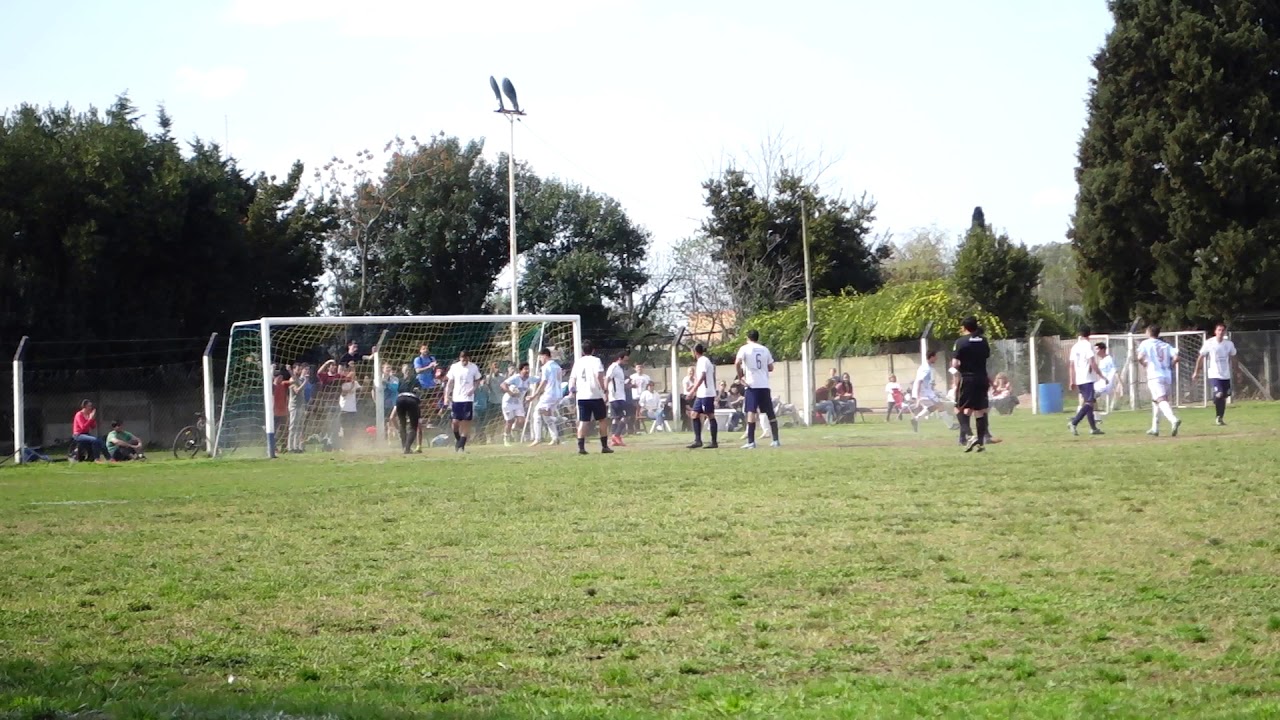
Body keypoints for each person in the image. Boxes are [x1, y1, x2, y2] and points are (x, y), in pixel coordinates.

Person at [734, 328, 780, 449]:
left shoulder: (744, 348)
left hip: (752, 385)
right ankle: (775, 440)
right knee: (770, 412)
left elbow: (737, 362)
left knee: (751, 412)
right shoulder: (765, 349)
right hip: (764, 384)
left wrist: (741, 377)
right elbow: (771, 368)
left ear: (748, 338)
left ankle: (751, 441)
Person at [952, 316, 992, 452]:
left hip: (967, 379)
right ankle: (980, 444)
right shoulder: (984, 341)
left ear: (964, 328)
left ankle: (969, 436)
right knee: (979, 410)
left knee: (958, 408)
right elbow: (985, 357)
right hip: (982, 378)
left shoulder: (961, 342)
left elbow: (955, 364)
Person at [569, 340, 613, 455]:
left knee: (583, 421)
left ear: (583, 351)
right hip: (595, 395)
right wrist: (604, 389)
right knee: (602, 419)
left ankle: (581, 448)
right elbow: (599, 375)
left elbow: (573, 379)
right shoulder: (596, 360)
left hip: (582, 396)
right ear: (593, 350)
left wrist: (572, 390)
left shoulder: (578, 362)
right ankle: (604, 446)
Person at [1137, 325, 1181, 437]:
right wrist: (1170, 365)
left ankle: (1173, 419)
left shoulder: (1145, 343)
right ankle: (1154, 428)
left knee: (1161, 400)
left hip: (1154, 375)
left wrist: (1144, 364)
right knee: (1156, 401)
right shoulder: (1165, 345)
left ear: (1148, 332)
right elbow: (1176, 357)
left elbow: (1139, 357)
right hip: (1166, 375)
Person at [1192, 322, 1238, 426]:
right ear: (1215, 331)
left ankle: (1219, 417)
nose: (1221, 332)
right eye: (1219, 330)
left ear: (1225, 332)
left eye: (1222, 330)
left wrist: (1237, 371)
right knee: (1219, 394)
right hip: (1214, 374)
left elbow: (1234, 358)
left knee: (1223, 397)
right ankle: (1216, 399)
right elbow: (1201, 357)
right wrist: (1196, 372)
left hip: (1225, 375)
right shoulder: (1209, 343)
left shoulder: (1229, 344)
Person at [1067, 326, 1103, 437]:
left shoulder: (1075, 346)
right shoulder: (1088, 345)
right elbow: (1092, 362)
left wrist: (1072, 380)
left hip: (1079, 379)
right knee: (1089, 403)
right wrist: (1101, 375)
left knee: (1089, 403)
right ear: (1089, 334)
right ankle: (1074, 422)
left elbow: (1071, 365)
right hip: (1087, 378)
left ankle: (1093, 428)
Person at [443, 350, 483, 452]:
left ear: (468, 358)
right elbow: (450, 383)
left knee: (466, 422)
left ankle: (461, 445)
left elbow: (478, 380)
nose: (463, 360)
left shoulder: (473, 367)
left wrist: (473, 389)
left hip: (468, 399)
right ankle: (458, 440)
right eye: (462, 358)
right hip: (457, 398)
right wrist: (446, 397)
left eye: (465, 358)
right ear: (459, 358)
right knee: (455, 422)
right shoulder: (454, 367)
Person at [528, 348, 564, 446]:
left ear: (545, 356)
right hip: (558, 394)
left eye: (540, 357)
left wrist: (534, 395)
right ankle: (555, 438)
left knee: (536, 412)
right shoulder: (557, 366)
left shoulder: (546, 367)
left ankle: (537, 438)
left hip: (550, 394)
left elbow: (544, 382)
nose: (540, 360)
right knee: (546, 416)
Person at [686, 343, 719, 449]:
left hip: (706, 393)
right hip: (701, 394)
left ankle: (714, 442)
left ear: (695, 351)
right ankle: (698, 440)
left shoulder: (703, 361)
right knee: (694, 414)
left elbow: (702, 377)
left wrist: (693, 391)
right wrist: (694, 390)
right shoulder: (700, 361)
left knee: (710, 415)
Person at [500, 362, 532, 446]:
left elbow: (539, 380)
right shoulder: (515, 378)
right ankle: (506, 438)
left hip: (518, 403)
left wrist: (528, 396)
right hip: (508, 402)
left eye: (528, 369)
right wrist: (510, 392)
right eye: (525, 369)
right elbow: (502, 385)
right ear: (520, 370)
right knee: (509, 421)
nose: (527, 370)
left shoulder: (529, 379)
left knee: (522, 420)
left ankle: (515, 429)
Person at [605, 350, 630, 447]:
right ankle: (617, 435)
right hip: (616, 397)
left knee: (616, 418)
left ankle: (613, 439)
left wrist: (629, 385)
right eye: (625, 360)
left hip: (620, 396)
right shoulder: (614, 367)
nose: (626, 363)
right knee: (626, 415)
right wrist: (606, 392)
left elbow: (619, 383)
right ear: (620, 358)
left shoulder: (620, 369)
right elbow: (607, 378)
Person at [337, 363, 362, 449]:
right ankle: (343, 446)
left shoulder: (355, 382)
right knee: (344, 429)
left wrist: (366, 383)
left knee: (352, 428)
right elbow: (344, 394)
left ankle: (350, 445)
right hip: (344, 409)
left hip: (353, 409)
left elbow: (361, 389)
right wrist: (352, 385)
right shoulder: (342, 383)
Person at [1092, 343, 1120, 416]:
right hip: (1101, 382)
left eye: (1097, 349)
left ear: (1103, 349)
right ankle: (1096, 416)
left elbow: (1116, 371)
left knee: (1090, 395)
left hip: (1106, 384)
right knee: (1089, 395)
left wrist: (1120, 385)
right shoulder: (1101, 360)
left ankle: (1083, 414)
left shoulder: (1109, 359)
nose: (1096, 351)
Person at [393, 387, 422, 454]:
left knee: (402, 424)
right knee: (413, 427)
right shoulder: (415, 398)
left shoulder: (401, 393)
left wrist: (398, 430)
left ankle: (404, 447)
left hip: (399, 400)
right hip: (412, 402)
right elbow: (418, 420)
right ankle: (407, 448)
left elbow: (392, 417)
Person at [287, 364, 309, 453]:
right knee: (293, 426)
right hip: (294, 406)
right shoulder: (292, 380)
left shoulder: (299, 379)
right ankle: (290, 447)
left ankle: (297, 447)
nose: (299, 371)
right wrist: (305, 382)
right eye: (298, 369)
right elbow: (297, 390)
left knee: (299, 427)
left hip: (301, 405)